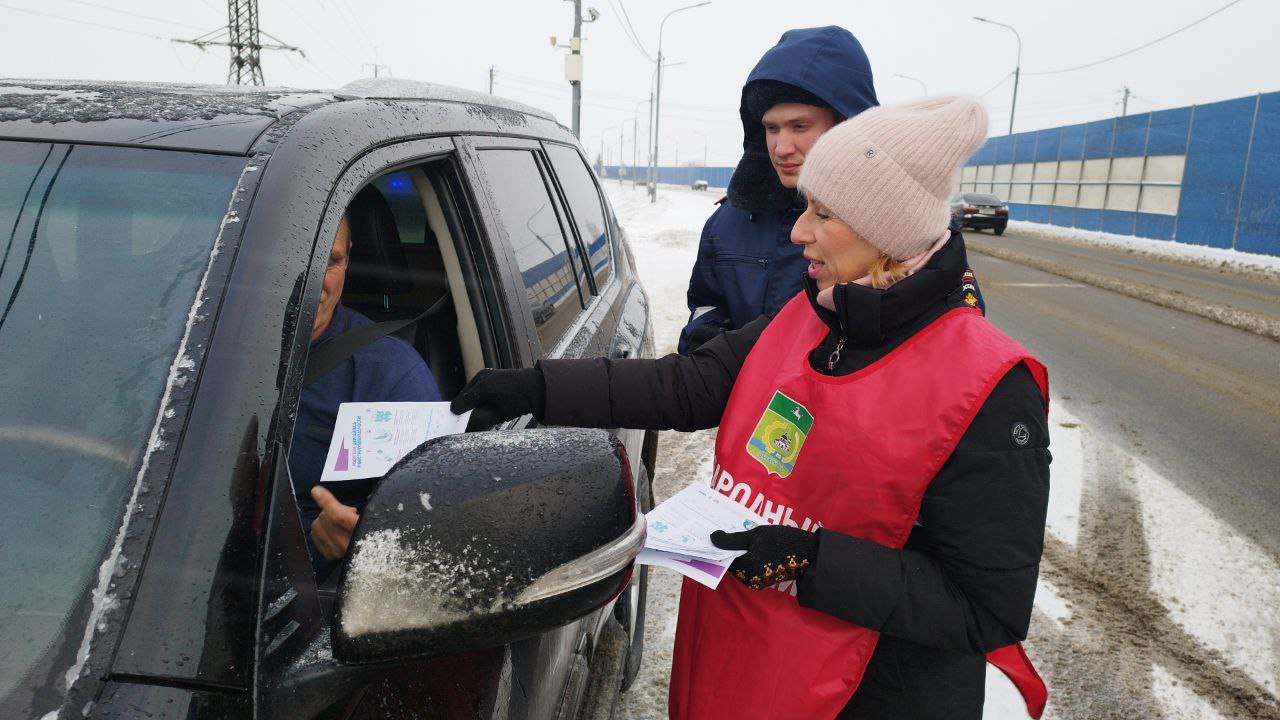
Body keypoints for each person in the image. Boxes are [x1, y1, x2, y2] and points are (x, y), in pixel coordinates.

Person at [453, 97, 1049, 719]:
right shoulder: (817, 312)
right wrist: (535, 388)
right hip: (741, 667)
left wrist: (814, 559)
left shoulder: (987, 386)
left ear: (886, 234)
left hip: (866, 696)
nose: (798, 232)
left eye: (823, 214)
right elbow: (687, 385)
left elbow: (986, 606)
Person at [679, 26, 985, 355]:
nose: (781, 147)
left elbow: (956, 341)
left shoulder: (908, 227)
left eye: (800, 126)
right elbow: (706, 305)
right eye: (771, 128)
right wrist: (713, 354)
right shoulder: (728, 221)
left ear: (845, 125)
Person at [289, 188, 440, 577]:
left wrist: (363, 541)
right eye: (294, 259)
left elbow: (424, 541)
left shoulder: (392, 380)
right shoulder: (190, 348)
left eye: (332, 260)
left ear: (350, 256)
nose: (313, 282)